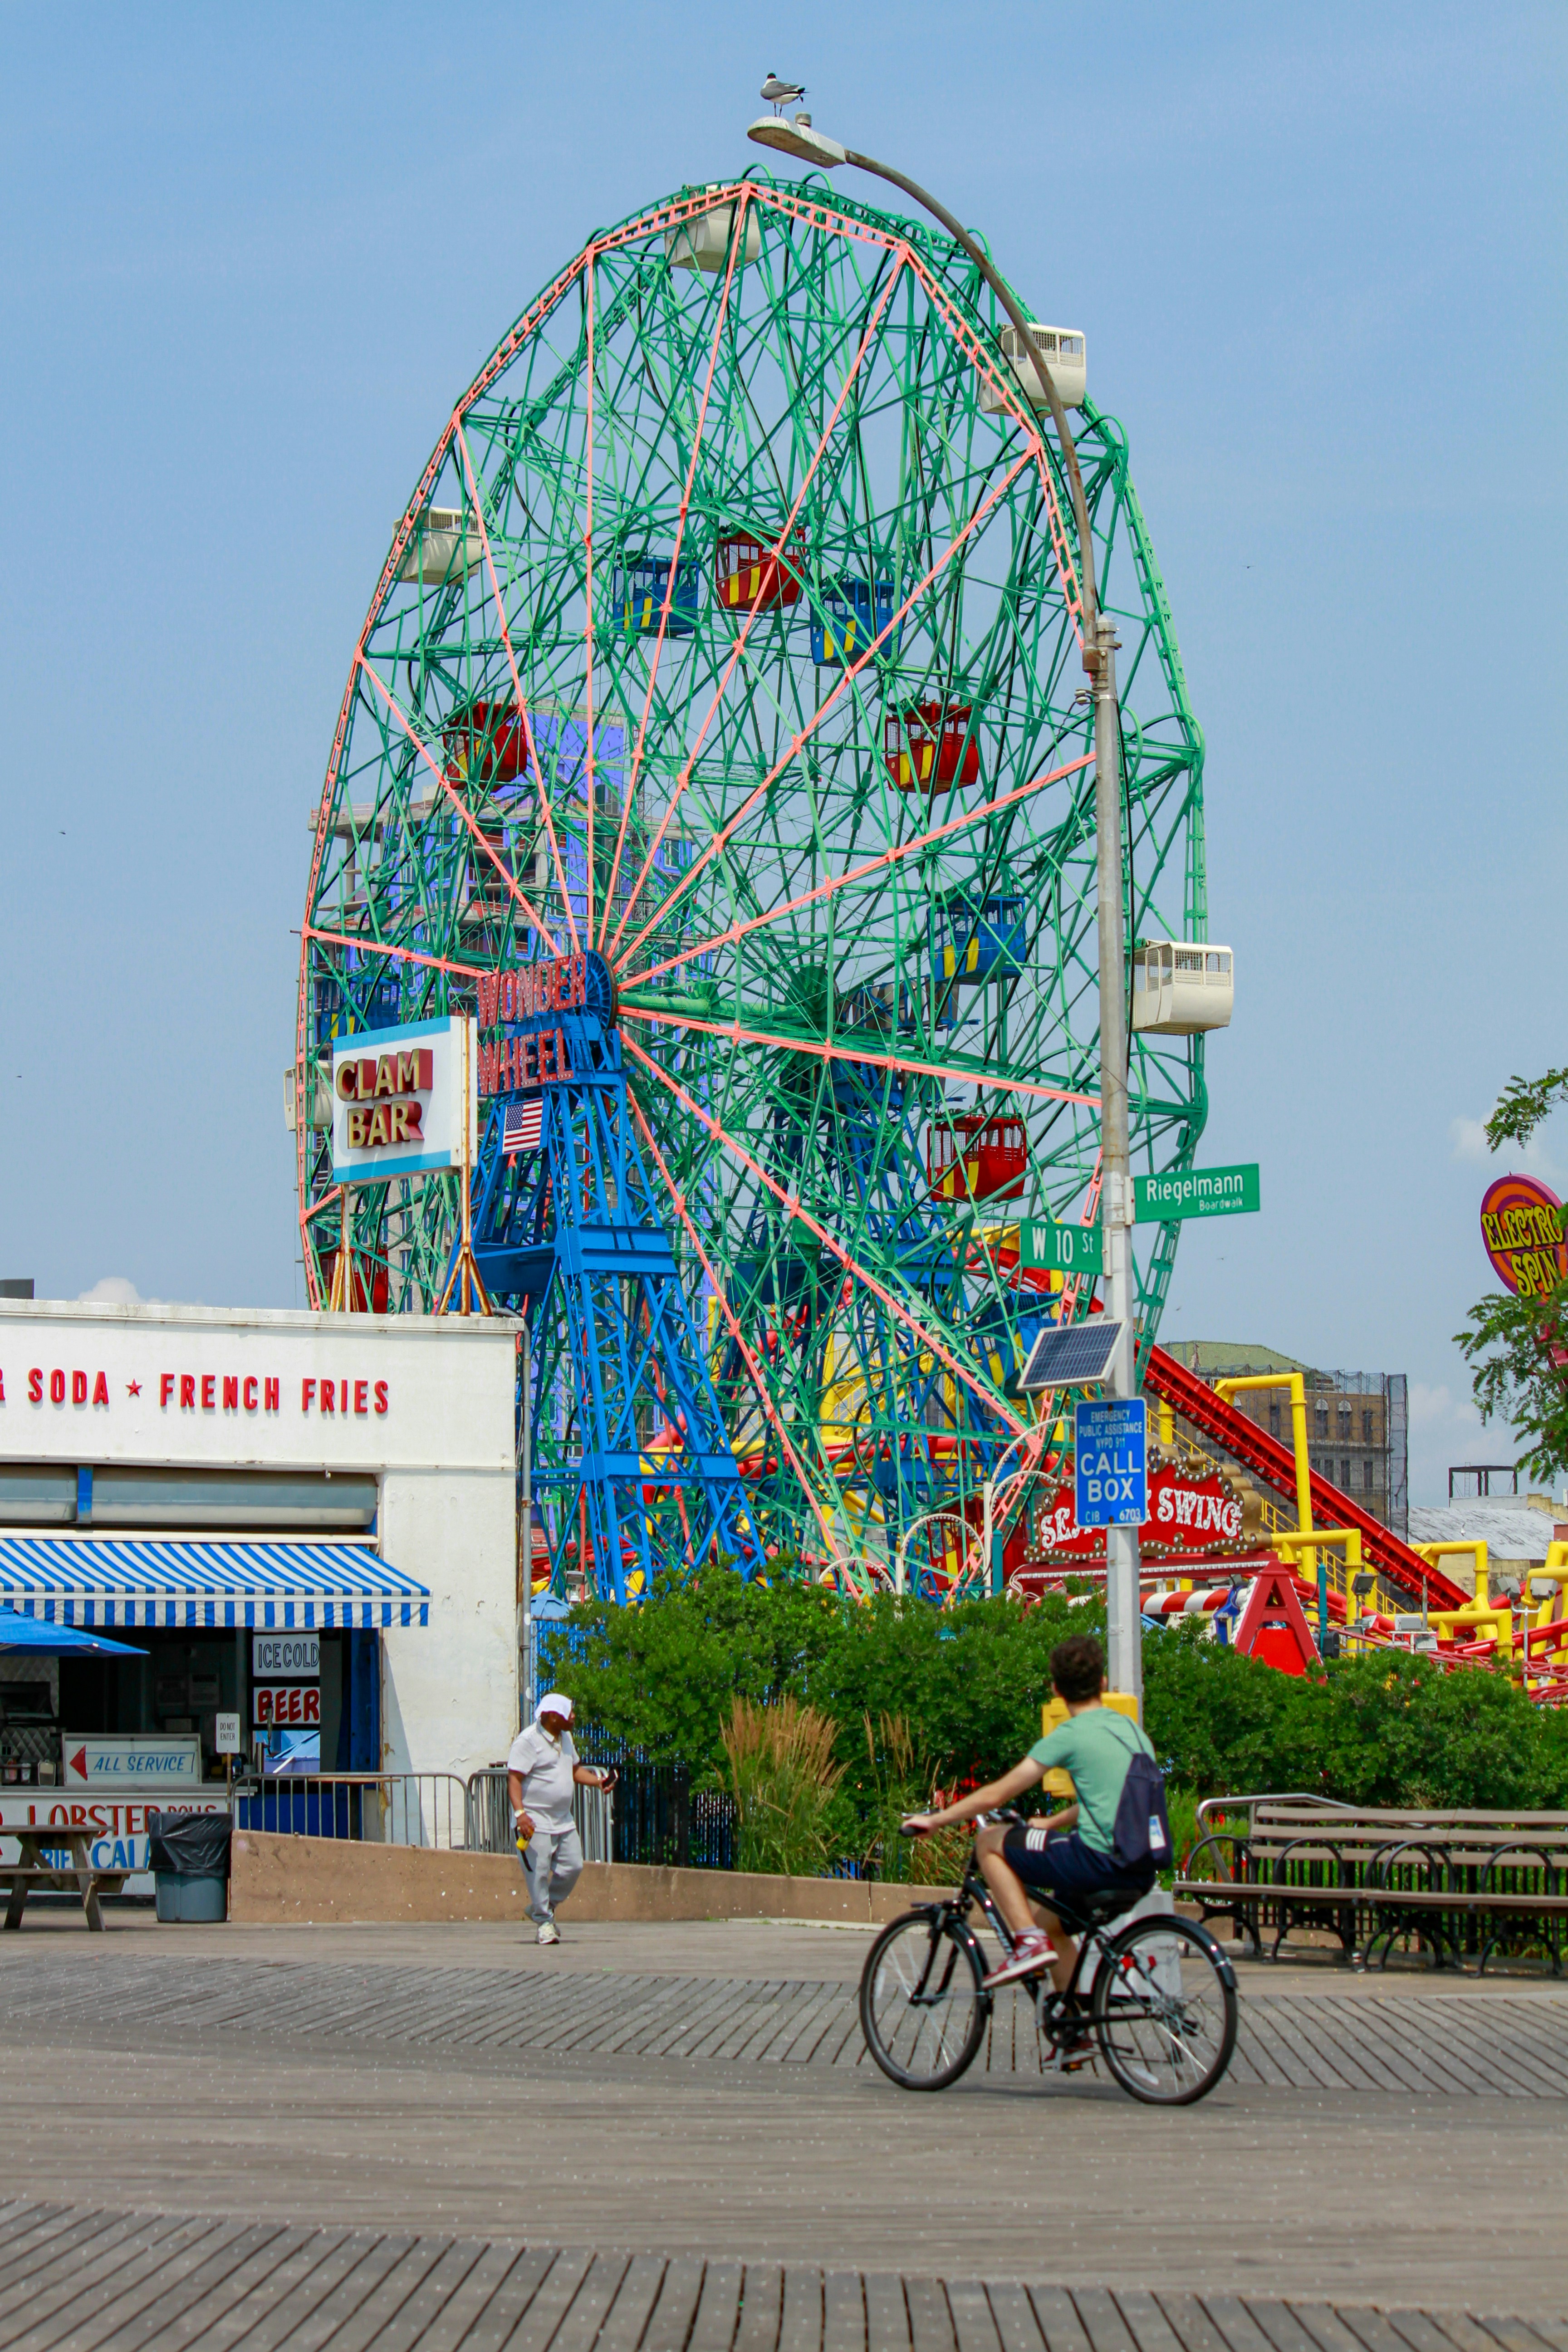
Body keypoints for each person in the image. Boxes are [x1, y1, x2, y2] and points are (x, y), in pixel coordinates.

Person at [903, 1633, 1157, 1993]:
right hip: (1140, 1868)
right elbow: (1111, 1801)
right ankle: (1075, 2031)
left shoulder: (1069, 1734)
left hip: (1099, 1861)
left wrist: (936, 1820)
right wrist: (1052, 1823)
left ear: (1056, 1689)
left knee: (990, 1841)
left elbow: (999, 1793)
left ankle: (1027, 1942)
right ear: (1102, 1682)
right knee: (1051, 1924)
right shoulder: (1134, 1733)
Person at [506, 1691, 616, 1946]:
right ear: (554, 1717)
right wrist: (520, 1814)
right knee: (540, 1872)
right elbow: (514, 1779)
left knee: (574, 1866)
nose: (574, 1717)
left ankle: (542, 1907)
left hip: (563, 1820)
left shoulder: (565, 1737)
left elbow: (574, 1769)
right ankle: (545, 1922)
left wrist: (599, 1783)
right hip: (535, 1822)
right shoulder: (528, 1742)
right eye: (570, 1713)